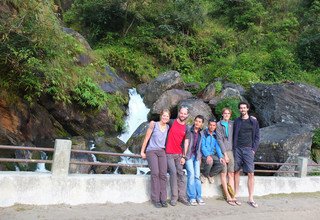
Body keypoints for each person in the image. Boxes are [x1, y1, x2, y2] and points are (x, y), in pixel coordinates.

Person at [141, 109, 171, 208]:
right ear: (160, 116)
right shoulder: (153, 124)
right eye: (164, 115)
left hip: (162, 151)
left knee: (163, 174)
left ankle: (163, 199)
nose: (165, 117)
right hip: (151, 151)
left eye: (167, 116)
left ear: (169, 118)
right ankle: (156, 199)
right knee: (155, 173)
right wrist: (142, 151)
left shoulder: (167, 127)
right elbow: (146, 138)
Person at [233, 101, 260, 208]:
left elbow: (257, 136)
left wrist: (253, 149)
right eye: (241, 108)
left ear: (247, 109)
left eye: (244, 108)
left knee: (251, 173)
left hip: (249, 150)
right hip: (238, 149)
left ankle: (251, 198)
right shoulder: (236, 121)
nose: (243, 109)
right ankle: (235, 195)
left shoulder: (253, 121)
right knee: (236, 172)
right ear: (239, 110)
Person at [166, 106, 189, 206]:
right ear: (179, 113)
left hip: (179, 154)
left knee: (181, 173)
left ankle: (182, 197)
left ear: (187, 115)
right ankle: (174, 197)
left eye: (185, 114)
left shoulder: (187, 128)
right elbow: (161, 124)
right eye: (181, 113)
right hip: (169, 153)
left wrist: (184, 156)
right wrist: (153, 123)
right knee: (173, 173)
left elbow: (186, 143)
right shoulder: (171, 122)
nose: (183, 115)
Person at [216, 108, 237, 206]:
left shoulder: (232, 124)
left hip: (231, 151)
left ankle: (232, 195)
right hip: (223, 151)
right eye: (225, 113)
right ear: (222, 114)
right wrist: (224, 154)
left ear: (230, 115)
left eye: (228, 113)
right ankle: (227, 195)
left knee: (231, 173)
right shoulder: (218, 125)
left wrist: (253, 119)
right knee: (223, 173)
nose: (227, 115)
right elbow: (219, 140)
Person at [184, 115, 205, 206]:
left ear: (202, 124)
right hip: (189, 155)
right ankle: (192, 197)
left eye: (199, 122)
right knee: (191, 175)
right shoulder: (189, 130)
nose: (197, 123)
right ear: (194, 121)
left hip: (196, 156)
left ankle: (199, 197)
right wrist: (184, 156)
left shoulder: (202, 133)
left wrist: (200, 157)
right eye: (196, 121)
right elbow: (186, 142)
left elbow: (200, 146)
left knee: (197, 176)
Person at [200, 118, 225, 184]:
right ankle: (204, 175)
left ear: (215, 126)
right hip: (204, 154)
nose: (212, 127)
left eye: (214, 125)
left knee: (222, 163)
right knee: (210, 161)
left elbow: (217, 147)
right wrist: (208, 155)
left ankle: (210, 175)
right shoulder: (204, 133)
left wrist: (221, 156)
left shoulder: (215, 135)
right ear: (208, 125)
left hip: (213, 155)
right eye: (210, 125)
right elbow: (202, 147)